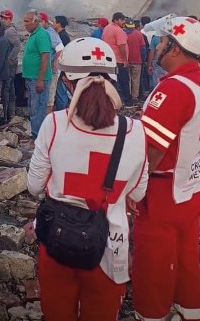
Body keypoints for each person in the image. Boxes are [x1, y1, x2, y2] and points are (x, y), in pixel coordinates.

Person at [27, 37, 148, 321]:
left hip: (56, 240)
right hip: (110, 246)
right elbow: (139, 194)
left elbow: (34, 186)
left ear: (68, 82)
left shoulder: (54, 124)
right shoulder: (136, 131)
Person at [133, 15, 200, 321]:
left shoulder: (172, 90)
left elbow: (153, 149)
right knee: (186, 258)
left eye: (162, 41)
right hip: (193, 185)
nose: (157, 45)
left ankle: (151, 314)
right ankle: (189, 311)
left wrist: (135, 190)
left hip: (162, 191)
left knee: (152, 264)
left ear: (174, 48)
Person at [22, 10, 52, 141]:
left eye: (27, 21)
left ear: (35, 21)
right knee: (33, 108)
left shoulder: (41, 35)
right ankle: (36, 135)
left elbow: (45, 58)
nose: (25, 24)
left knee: (38, 110)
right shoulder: (33, 35)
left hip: (39, 80)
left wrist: (40, 80)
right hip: (32, 78)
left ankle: (38, 139)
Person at [102, 12, 130, 105]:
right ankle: (127, 102)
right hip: (119, 61)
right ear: (116, 20)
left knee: (112, 81)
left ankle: (111, 102)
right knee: (124, 81)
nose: (124, 22)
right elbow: (121, 46)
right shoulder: (118, 30)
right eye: (122, 20)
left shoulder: (106, 28)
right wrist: (125, 60)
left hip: (109, 60)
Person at [39, 12, 64, 114]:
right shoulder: (41, 33)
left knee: (49, 98)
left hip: (52, 71)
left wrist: (54, 63)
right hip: (45, 71)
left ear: (45, 22)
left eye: (40, 21)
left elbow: (60, 49)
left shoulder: (50, 33)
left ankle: (49, 121)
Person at [0, 9, 22, 121]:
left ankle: (6, 115)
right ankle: (11, 114)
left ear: (10, 19)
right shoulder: (7, 30)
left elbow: (17, 46)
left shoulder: (9, 31)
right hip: (9, 64)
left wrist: (10, 58)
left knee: (6, 89)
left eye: (5, 18)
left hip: (9, 65)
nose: (3, 20)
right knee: (10, 88)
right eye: (2, 18)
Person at [124, 17, 146, 106]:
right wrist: (143, 59)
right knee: (135, 80)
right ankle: (135, 97)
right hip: (137, 60)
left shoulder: (122, 34)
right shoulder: (138, 34)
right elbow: (143, 49)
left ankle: (128, 96)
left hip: (126, 61)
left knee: (127, 79)